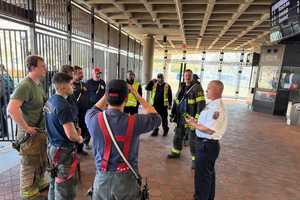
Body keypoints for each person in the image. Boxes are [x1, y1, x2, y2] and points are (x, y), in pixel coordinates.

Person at [85, 79, 161, 200]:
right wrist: (137, 95)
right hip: (127, 182)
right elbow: (156, 117)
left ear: (106, 97)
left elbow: (94, 108)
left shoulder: (92, 118)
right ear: (126, 99)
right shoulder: (135, 122)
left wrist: (107, 95)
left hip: (102, 180)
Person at [7, 55, 48, 200]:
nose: (45, 68)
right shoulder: (25, 85)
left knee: (41, 158)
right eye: (42, 66)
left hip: (39, 132)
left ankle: (39, 183)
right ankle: (27, 191)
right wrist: (26, 127)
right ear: (32, 67)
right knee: (29, 162)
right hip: (29, 134)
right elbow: (11, 109)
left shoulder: (38, 84)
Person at [185, 80, 227, 200]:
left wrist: (194, 124)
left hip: (207, 146)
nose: (206, 90)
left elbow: (209, 130)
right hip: (206, 145)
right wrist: (196, 121)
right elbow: (206, 123)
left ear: (216, 90)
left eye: (208, 88)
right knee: (208, 176)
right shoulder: (212, 104)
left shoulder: (217, 108)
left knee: (202, 179)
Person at [44, 72, 83, 200]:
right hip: (63, 150)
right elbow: (71, 135)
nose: (73, 87)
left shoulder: (50, 101)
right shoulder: (63, 106)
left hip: (52, 147)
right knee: (64, 188)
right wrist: (79, 138)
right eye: (71, 84)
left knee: (54, 182)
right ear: (62, 87)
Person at [168, 69, 206, 168]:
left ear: (192, 76)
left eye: (189, 75)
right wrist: (173, 114)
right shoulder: (182, 86)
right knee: (178, 136)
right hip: (181, 117)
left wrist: (197, 119)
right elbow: (176, 101)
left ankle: (195, 160)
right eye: (186, 75)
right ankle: (176, 152)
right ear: (183, 76)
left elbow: (201, 105)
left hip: (191, 119)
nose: (187, 77)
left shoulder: (197, 88)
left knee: (193, 140)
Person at [72, 66, 89, 155]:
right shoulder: (70, 85)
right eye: (79, 73)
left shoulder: (84, 84)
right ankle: (73, 150)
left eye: (82, 73)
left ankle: (80, 148)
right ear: (73, 74)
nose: (82, 74)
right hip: (74, 113)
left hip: (84, 113)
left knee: (83, 130)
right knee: (74, 131)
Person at [0, 64, 14, 138]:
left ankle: (4, 131)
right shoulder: (7, 75)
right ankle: (3, 131)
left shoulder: (2, 76)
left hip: (2, 96)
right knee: (3, 113)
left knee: (2, 114)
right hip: (6, 96)